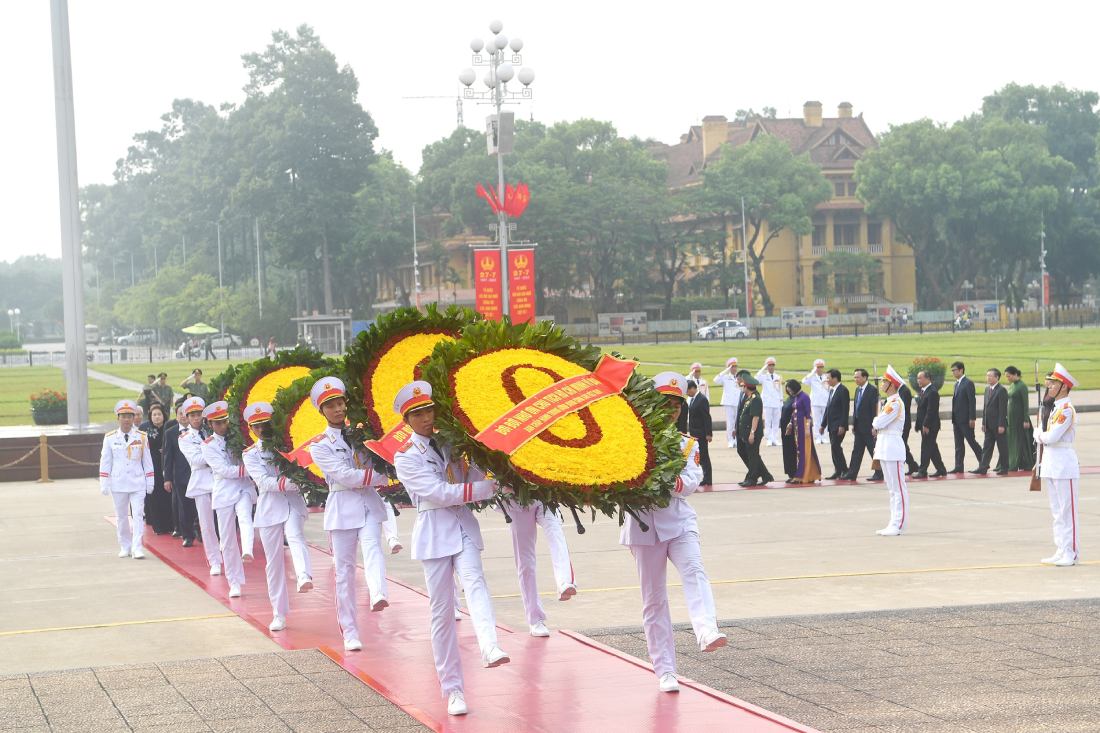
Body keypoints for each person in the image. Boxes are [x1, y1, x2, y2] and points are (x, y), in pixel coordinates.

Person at [391, 380, 508, 717]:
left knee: (475, 583)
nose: (427, 417)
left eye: (429, 410)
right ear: (407, 420)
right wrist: (485, 488)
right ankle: (453, 688)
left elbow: (471, 474)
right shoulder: (406, 457)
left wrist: (496, 474)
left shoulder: (450, 444)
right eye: (418, 413)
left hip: (463, 526)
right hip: (434, 532)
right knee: (441, 614)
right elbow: (439, 493)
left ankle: (490, 646)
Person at [621, 371, 727, 695]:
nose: (671, 410)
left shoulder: (687, 444)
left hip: (679, 522)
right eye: (665, 403)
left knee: (695, 570)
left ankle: (707, 630)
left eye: (677, 405)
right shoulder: (633, 441)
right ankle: (665, 670)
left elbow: (693, 478)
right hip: (643, 527)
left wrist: (668, 481)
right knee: (654, 600)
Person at [307, 377, 392, 652]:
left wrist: (381, 474)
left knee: (373, 548)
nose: (338, 409)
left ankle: (378, 592)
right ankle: (350, 631)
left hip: (368, 504)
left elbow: (381, 460)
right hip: (342, 507)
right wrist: (378, 477)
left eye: (341, 403)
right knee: (343, 572)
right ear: (322, 411)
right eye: (331, 406)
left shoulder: (362, 434)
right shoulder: (319, 445)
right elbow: (343, 475)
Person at [241, 401, 313, 632]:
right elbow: (262, 481)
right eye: (257, 427)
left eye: (265, 424)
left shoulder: (288, 443)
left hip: (292, 503)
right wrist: (292, 483)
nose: (262, 430)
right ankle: (278, 613)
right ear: (251, 429)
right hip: (270, 507)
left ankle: (304, 575)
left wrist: (305, 479)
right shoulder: (250, 454)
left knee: (295, 536)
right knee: (273, 563)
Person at [201, 400, 257, 599]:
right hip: (224, 491)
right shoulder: (208, 445)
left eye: (224, 421)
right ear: (210, 424)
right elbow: (223, 470)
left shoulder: (239, 437)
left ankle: (248, 550)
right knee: (227, 538)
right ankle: (234, 581)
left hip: (243, 488)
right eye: (217, 423)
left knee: (245, 517)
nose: (222, 426)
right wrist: (250, 469)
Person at [502, 499, 578, 638]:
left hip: (545, 497)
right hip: (516, 502)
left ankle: (565, 582)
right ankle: (535, 619)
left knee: (555, 532)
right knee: (525, 563)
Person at [1035, 364, 1080, 566]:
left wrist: (1039, 435)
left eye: (1053, 384)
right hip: (1051, 463)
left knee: (1067, 511)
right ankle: (1061, 548)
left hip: (1063, 463)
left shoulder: (1066, 410)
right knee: (1056, 511)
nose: (1049, 387)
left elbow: (1052, 437)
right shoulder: (1054, 408)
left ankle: (1070, 552)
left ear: (1064, 387)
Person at [99, 399, 155, 559]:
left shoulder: (141, 436)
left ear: (133, 418)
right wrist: (104, 482)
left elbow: (148, 462)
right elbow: (105, 461)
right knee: (122, 517)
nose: (126, 419)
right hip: (118, 483)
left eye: (129, 416)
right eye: (123, 416)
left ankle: (137, 547)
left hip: (137, 482)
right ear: (118, 418)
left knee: (138, 515)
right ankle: (125, 545)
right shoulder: (110, 438)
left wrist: (150, 481)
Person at [177, 396, 223, 575]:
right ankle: (214, 561)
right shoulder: (185, 437)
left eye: (199, 414)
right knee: (207, 525)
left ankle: (226, 553)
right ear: (187, 417)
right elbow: (196, 460)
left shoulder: (213, 430)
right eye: (192, 415)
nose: (196, 418)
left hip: (220, 479)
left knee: (226, 522)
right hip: (202, 482)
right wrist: (213, 455)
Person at [872, 366, 910, 536]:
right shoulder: (888, 402)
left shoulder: (895, 403)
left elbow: (878, 423)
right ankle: (892, 522)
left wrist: (876, 419)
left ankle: (898, 524)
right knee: (891, 489)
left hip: (893, 448)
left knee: (898, 489)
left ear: (892, 384)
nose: (881, 384)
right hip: (885, 447)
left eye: (884, 381)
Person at [163, 397, 198, 546]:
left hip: (198, 475)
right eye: (180, 413)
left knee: (200, 507)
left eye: (186, 413)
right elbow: (168, 456)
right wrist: (167, 478)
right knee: (184, 507)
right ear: (176, 416)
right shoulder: (170, 433)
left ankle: (201, 532)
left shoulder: (198, 432)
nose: (183, 416)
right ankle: (187, 536)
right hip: (181, 476)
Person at [140, 403, 173, 535]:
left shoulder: (169, 426)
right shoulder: (144, 428)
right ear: (150, 416)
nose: (157, 417)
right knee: (154, 495)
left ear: (163, 415)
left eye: (159, 414)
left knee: (168, 495)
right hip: (151, 465)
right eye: (154, 415)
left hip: (166, 464)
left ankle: (170, 524)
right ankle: (158, 525)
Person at [844, 369, 881, 481]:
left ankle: (879, 473)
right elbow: (856, 408)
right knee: (857, 452)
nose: (856, 379)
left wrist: (874, 427)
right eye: (855, 377)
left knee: (873, 450)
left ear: (865, 377)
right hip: (859, 427)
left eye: (858, 377)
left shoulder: (872, 390)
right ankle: (852, 473)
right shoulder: (857, 390)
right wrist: (854, 425)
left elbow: (875, 410)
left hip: (869, 428)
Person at [737, 374, 773, 486]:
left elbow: (755, 417)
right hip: (747, 432)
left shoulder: (756, 399)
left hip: (753, 433)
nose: (742, 388)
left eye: (743, 386)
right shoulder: (750, 398)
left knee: (753, 456)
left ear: (747, 387)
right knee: (753, 455)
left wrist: (752, 433)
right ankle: (766, 475)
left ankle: (752, 479)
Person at [972, 368, 1008, 475]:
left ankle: (1005, 467)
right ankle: (983, 467)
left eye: (990, 376)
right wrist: (983, 422)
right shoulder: (987, 389)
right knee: (987, 447)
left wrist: (1001, 424)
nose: (988, 378)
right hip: (988, 424)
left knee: (1002, 447)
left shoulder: (1001, 390)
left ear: (997, 377)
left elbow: (1003, 409)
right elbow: (985, 408)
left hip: (998, 425)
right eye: (987, 375)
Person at [784, 380, 821, 484]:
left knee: (804, 450)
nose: (790, 392)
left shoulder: (805, 397)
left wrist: (807, 428)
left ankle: (801, 475)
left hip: (804, 426)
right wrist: (790, 424)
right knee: (800, 450)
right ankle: (807, 473)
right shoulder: (796, 397)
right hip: (797, 427)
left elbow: (808, 413)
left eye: (790, 390)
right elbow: (794, 412)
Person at [912, 370, 947, 478]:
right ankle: (941, 469)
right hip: (924, 425)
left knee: (926, 448)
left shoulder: (932, 392)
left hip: (930, 426)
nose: (918, 380)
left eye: (920, 378)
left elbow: (931, 410)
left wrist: (926, 425)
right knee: (932, 448)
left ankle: (922, 471)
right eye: (917, 378)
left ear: (928, 379)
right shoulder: (924, 391)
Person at [949, 361, 982, 473]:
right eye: (952, 371)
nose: (953, 372)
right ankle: (959, 466)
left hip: (966, 420)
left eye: (955, 370)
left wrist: (972, 418)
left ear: (961, 370)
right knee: (958, 444)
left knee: (971, 442)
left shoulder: (968, 383)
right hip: (956, 420)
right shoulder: (956, 384)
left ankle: (983, 463)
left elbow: (971, 402)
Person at [819, 369, 850, 480]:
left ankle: (845, 470)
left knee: (836, 446)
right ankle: (838, 470)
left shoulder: (843, 390)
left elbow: (845, 409)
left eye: (829, 378)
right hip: (831, 425)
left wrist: (842, 425)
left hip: (839, 425)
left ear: (835, 378)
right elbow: (828, 408)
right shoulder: (832, 390)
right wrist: (823, 425)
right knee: (834, 448)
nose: (827, 380)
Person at [1004, 366, 1034, 472]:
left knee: (1021, 441)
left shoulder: (1022, 386)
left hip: (1020, 418)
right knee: (1013, 440)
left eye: (1009, 376)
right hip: (1011, 418)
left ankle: (1022, 463)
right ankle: (1014, 462)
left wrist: (1026, 419)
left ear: (1015, 374)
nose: (1007, 378)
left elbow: (1026, 404)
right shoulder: (1012, 385)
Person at [685, 380, 713, 485]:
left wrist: (708, 434)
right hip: (694, 433)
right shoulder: (693, 399)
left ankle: (708, 479)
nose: (687, 393)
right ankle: (705, 478)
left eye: (688, 390)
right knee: (700, 456)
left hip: (701, 433)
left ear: (693, 388)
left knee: (704, 456)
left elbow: (707, 417)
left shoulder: (702, 399)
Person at [713, 357, 742, 448]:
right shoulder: (725, 377)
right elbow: (716, 380)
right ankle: (730, 440)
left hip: (738, 402)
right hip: (729, 402)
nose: (734, 368)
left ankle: (737, 439)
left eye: (735, 366)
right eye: (732, 366)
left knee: (738, 422)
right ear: (729, 367)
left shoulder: (739, 377)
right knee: (730, 422)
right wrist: (726, 370)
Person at [802, 359, 831, 445]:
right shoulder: (812, 377)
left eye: (821, 367)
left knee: (825, 421)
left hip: (825, 401)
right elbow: (804, 381)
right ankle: (818, 437)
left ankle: (824, 437)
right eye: (818, 367)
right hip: (815, 402)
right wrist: (812, 372)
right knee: (816, 421)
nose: (820, 369)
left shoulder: (827, 377)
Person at [756, 357, 783, 447]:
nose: (771, 367)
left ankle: (775, 438)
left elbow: (780, 389)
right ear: (767, 367)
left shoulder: (778, 377)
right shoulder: (764, 376)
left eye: (772, 365)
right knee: (768, 421)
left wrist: (781, 400)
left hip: (776, 402)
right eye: (769, 365)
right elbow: (756, 378)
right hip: (767, 402)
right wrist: (763, 368)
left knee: (776, 421)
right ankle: (769, 438)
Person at [897, 380, 920, 475]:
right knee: (902, 445)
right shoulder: (900, 390)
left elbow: (901, 406)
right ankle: (912, 465)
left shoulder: (904, 391)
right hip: (901, 423)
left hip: (904, 423)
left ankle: (912, 464)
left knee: (902, 445)